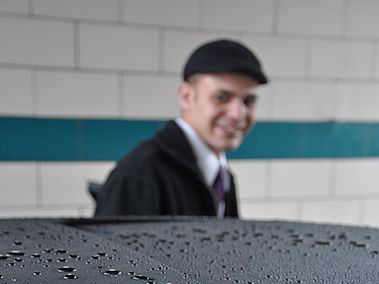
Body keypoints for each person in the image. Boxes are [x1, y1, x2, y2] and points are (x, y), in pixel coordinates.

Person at [94, 39, 268, 218]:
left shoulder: (222, 175)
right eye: (222, 97)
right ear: (186, 96)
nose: (238, 114)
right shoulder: (139, 176)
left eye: (248, 101)